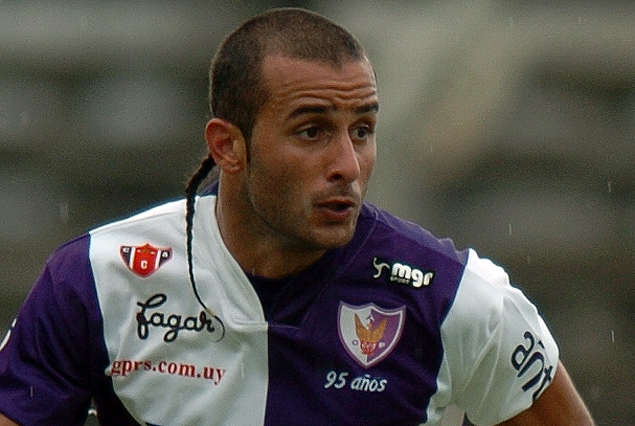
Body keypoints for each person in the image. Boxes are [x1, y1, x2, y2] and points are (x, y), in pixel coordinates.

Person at [0, 7, 595, 426]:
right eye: (312, 131)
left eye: (363, 130)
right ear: (227, 146)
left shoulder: (455, 298)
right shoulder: (97, 279)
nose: (347, 166)